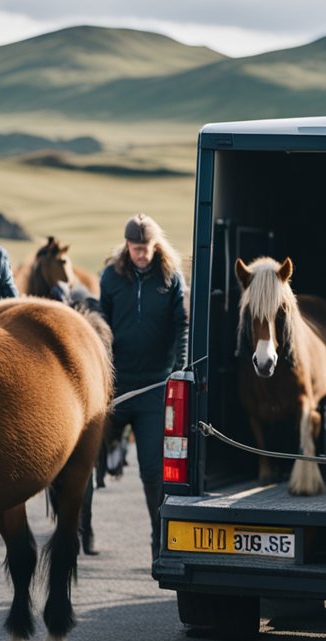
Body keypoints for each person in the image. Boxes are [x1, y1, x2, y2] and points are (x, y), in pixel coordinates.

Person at [100, 214, 189, 559]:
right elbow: (102, 325)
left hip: (155, 387)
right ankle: (79, 533)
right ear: (127, 246)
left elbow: (181, 324)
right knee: (85, 455)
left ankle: (159, 544)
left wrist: (179, 366)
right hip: (116, 385)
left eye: (147, 248)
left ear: (156, 245)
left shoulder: (170, 277)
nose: (141, 254)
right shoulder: (111, 276)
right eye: (136, 249)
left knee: (154, 472)